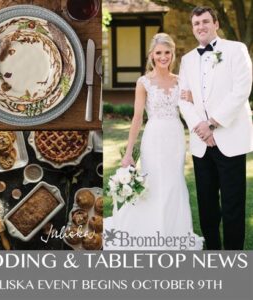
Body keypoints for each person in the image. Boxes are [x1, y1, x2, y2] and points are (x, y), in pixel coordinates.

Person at [104, 33, 203, 250]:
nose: (163, 56)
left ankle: (174, 232)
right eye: (159, 53)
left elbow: (191, 107)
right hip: (154, 137)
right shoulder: (144, 82)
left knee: (174, 181)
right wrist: (128, 153)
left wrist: (194, 99)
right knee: (153, 183)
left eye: (167, 52)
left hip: (176, 137)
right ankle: (148, 231)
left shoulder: (180, 81)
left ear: (172, 54)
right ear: (151, 55)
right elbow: (138, 117)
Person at [179, 6, 253, 250]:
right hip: (202, 144)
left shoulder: (236, 50)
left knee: (233, 205)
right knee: (207, 206)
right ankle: (212, 253)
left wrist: (212, 123)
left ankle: (233, 259)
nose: (200, 26)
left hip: (229, 138)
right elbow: (183, 99)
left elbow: (241, 90)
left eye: (205, 21)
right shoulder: (187, 59)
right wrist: (200, 128)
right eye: (196, 23)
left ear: (216, 24)